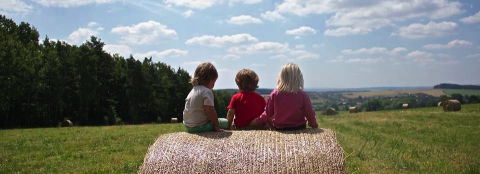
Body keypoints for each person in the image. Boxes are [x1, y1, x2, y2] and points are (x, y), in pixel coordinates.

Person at [253, 63, 318, 130]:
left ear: (281, 77)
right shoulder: (303, 95)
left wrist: (256, 122)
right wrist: (313, 124)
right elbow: (310, 113)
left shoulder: (274, 94)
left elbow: (267, 114)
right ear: (299, 78)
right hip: (299, 128)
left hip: (280, 128)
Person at [183, 62, 228, 133]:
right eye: (214, 82)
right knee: (225, 122)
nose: (214, 85)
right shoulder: (207, 91)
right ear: (209, 79)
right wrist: (217, 126)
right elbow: (210, 110)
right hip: (200, 127)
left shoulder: (193, 90)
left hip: (188, 126)